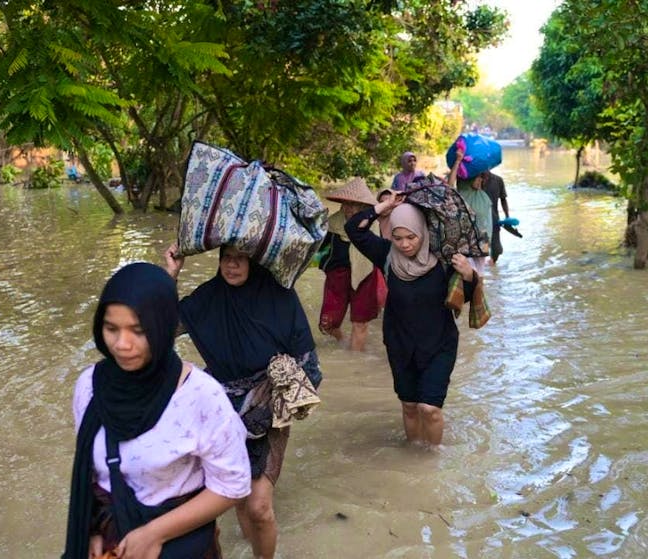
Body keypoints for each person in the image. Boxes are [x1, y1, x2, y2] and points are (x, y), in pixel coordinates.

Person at [63, 262, 251, 559]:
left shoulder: (201, 396)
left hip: (178, 546)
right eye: (112, 328)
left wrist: (154, 534)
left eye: (138, 330)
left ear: (162, 328)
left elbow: (233, 485)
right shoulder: (89, 386)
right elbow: (90, 471)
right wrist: (92, 531)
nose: (122, 344)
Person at [163, 244, 323, 559]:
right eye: (226, 259)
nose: (232, 266)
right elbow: (163, 329)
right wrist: (170, 275)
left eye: (239, 259)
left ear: (254, 261)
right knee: (236, 496)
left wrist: (279, 400)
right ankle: (252, 548)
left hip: (269, 401)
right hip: (221, 406)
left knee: (260, 505)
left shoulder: (281, 298)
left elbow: (309, 366)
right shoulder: (208, 298)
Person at [345, 197, 477, 446]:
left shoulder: (443, 258)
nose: (404, 244)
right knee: (409, 406)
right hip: (400, 344)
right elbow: (354, 228)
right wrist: (383, 207)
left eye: (411, 237)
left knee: (429, 408)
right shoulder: (385, 255)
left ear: (422, 232)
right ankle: (414, 453)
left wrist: (468, 274)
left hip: (439, 344)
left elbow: (465, 297)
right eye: (398, 238)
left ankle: (432, 460)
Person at [318, 178, 384, 351]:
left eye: (354, 205)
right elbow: (316, 248)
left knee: (360, 323)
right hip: (337, 277)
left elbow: (383, 252)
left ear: (363, 207)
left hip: (365, 276)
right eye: (346, 204)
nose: (349, 209)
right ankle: (342, 340)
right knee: (327, 324)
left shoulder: (373, 226)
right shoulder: (331, 224)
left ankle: (356, 363)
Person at [448, 149, 493, 269]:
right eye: (477, 177)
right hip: (464, 243)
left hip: (482, 242)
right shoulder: (458, 196)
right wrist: (458, 161)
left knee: (480, 274)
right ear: (468, 179)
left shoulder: (481, 195)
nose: (480, 180)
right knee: (467, 274)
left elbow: (488, 223)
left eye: (481, 177)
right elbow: (449, 186)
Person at [478, 171, 510, 263]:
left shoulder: (498, 180)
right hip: (480, 222)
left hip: (494, 220)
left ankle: (492, 263)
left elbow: (503, 199)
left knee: (497, 249)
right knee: (484, 248)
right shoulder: (475, 181)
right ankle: (482, 269)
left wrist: (507, 217)